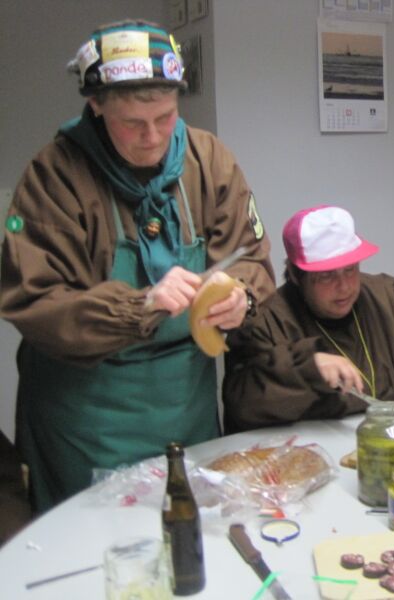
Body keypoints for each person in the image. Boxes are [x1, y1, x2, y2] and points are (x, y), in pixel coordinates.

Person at [0, 20, 275, 511]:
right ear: (96, 105)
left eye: (165, 118)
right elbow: (34, 302)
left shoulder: (209, 160)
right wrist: (140, 305)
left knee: (188, 527)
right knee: (97, 543)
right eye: (131, 123)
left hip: (185, 409)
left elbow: (251, 258)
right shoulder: (54, 176)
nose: (151, 138)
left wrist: (241, 296)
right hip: (87, 419)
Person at [223, 205, 394, 431]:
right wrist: (306, 368)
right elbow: (241, 403)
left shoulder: (390, 297)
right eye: (326, 276)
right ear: (295, 275)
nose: (344, 287)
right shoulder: (266, 319)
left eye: (350, 269)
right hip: (311, 457)